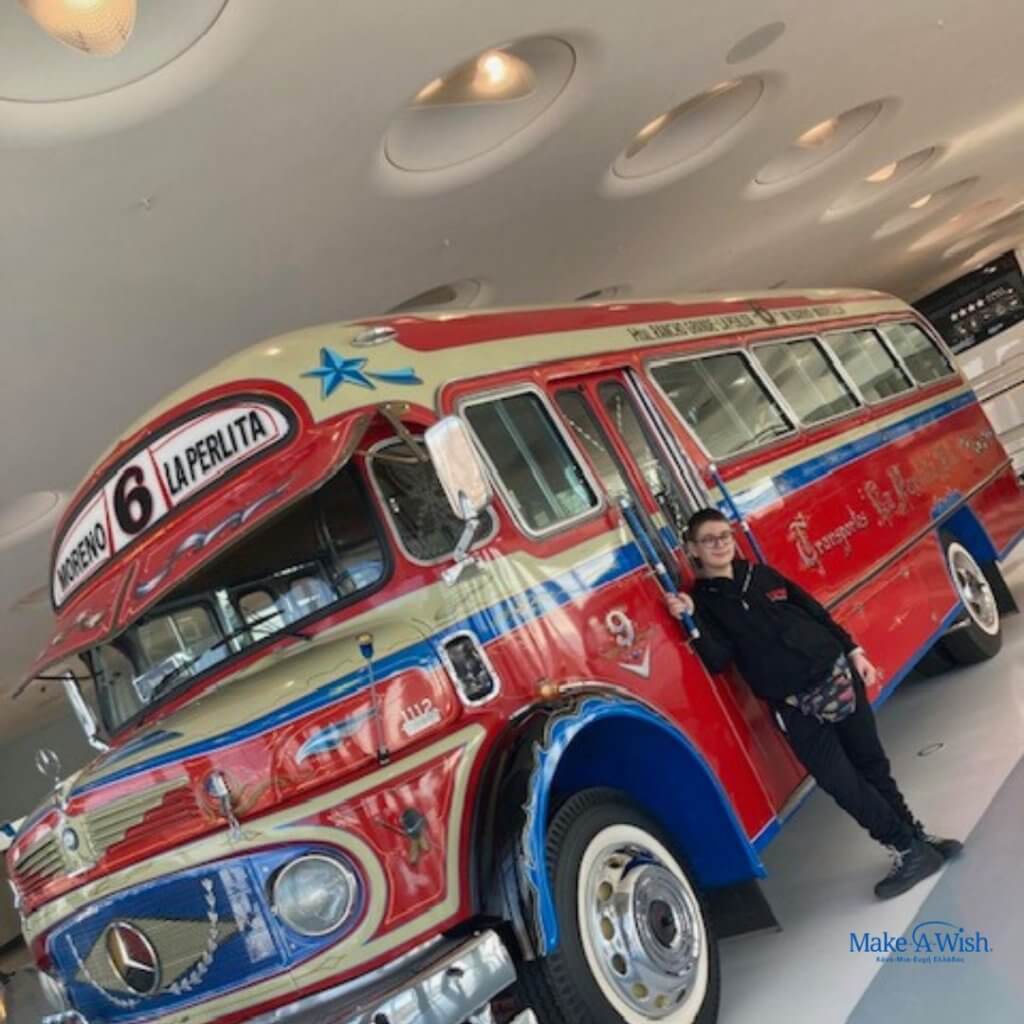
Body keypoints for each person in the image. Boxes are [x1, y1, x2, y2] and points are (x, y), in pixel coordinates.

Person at [666, 507, 962, 900]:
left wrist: (854, 650)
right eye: (708, 540)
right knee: (840, 782)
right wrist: (691, 623)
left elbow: (813, 612)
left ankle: (916, 840)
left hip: (839, 675)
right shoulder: (702, 603)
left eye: (724, 536)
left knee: (872, 765)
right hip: (795, 705)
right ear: (692, 549)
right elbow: (718, 660)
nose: (719, 545)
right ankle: (906, 846)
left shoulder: (761, 574)